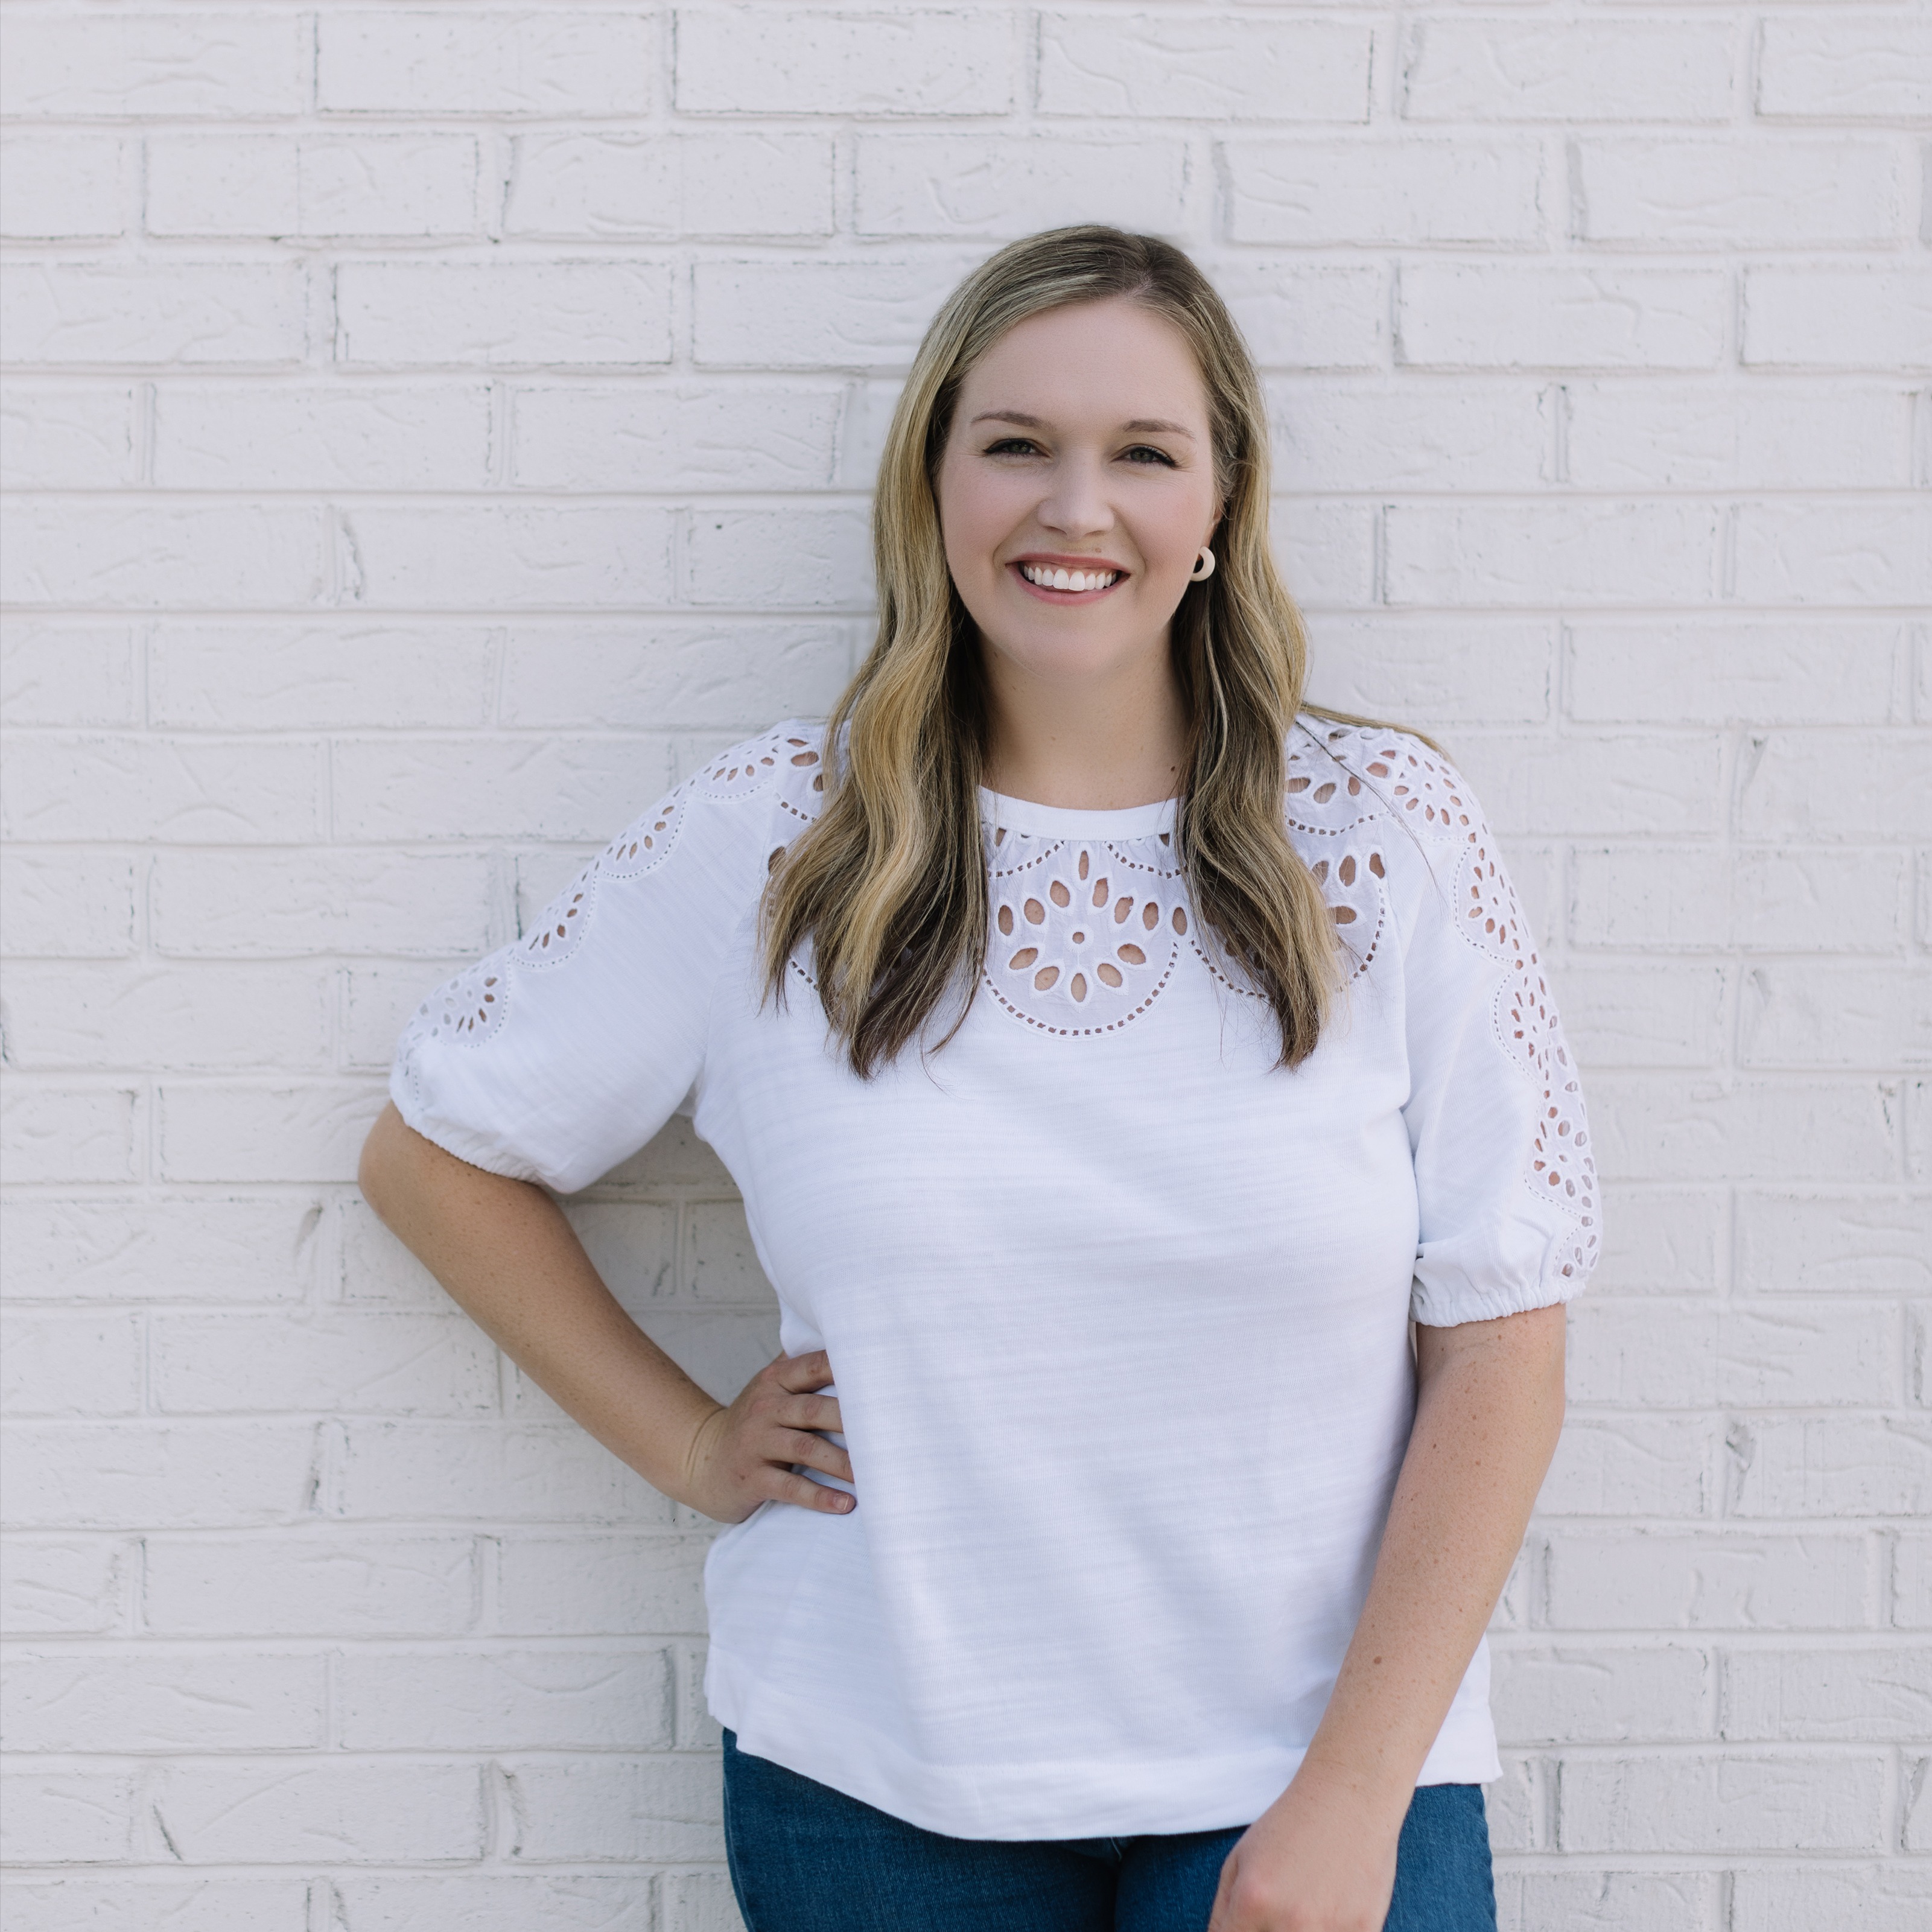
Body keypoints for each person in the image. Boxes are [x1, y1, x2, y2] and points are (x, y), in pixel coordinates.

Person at [358, 226, 1596, 1932]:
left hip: (1309, 1778)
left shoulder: (1377, 841)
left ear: (1218, 503)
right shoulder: (769, 843)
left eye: (1141, 454)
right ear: (930, 483)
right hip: (876, 1783)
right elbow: (439, 1149)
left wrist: (1352, 1792)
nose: (1073, 508)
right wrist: (693, 1442)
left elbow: (1503, 1336)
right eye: (1013, 444)